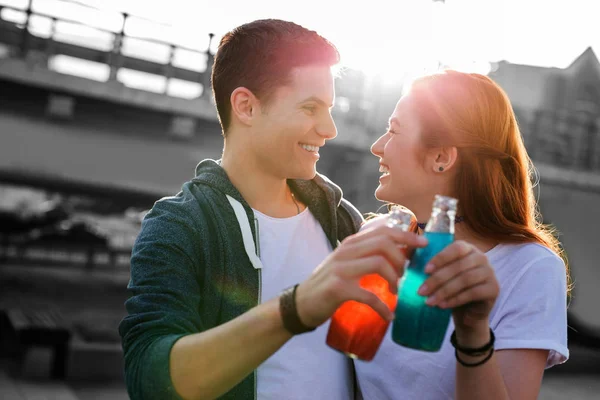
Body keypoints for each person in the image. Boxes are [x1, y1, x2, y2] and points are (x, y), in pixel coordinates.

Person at [118, 19, 426, 400]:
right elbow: (149, 379)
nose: (330, 129)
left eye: (329, 108)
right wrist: (296, 307)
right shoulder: (181, 225)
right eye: (310, 107)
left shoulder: (341, 220)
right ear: (246, 106)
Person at [354, 70, 570, 399]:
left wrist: (473, 332)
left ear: (441, 157)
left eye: (393, 131)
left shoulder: (530, 269)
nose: (376, 146)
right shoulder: (378, 236)